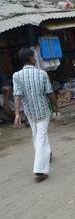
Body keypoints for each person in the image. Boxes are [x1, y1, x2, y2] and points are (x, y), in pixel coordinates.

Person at [12, 48, 57, 183]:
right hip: (43, 111)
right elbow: (49, 93)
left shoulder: (16, 75)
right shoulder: (42, 74)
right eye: (34, 56)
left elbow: (17, 95)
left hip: (29, 111)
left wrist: (17, 114)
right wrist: (55, 105)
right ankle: (40, 170)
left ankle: (47, 154)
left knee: (37, 134)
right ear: (32, 58)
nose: (35, 58)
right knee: (41, 137)